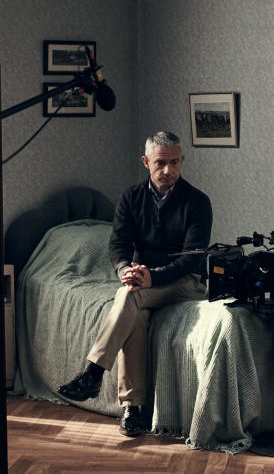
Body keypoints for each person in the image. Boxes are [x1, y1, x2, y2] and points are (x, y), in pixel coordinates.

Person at [56, 131, 212, 436]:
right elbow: (118, 245)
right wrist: (126, 269)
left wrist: (153, 276)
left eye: (175, 162)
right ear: (146, 162)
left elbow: (193, 258)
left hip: (186, 281)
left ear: (182, 161)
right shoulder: (131, 197)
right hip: (145, 281)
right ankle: (133, 410)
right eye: (161, 163)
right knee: (134, 313)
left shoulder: (197, 201)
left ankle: (94, 372)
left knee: (130, 296)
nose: (168, 170)